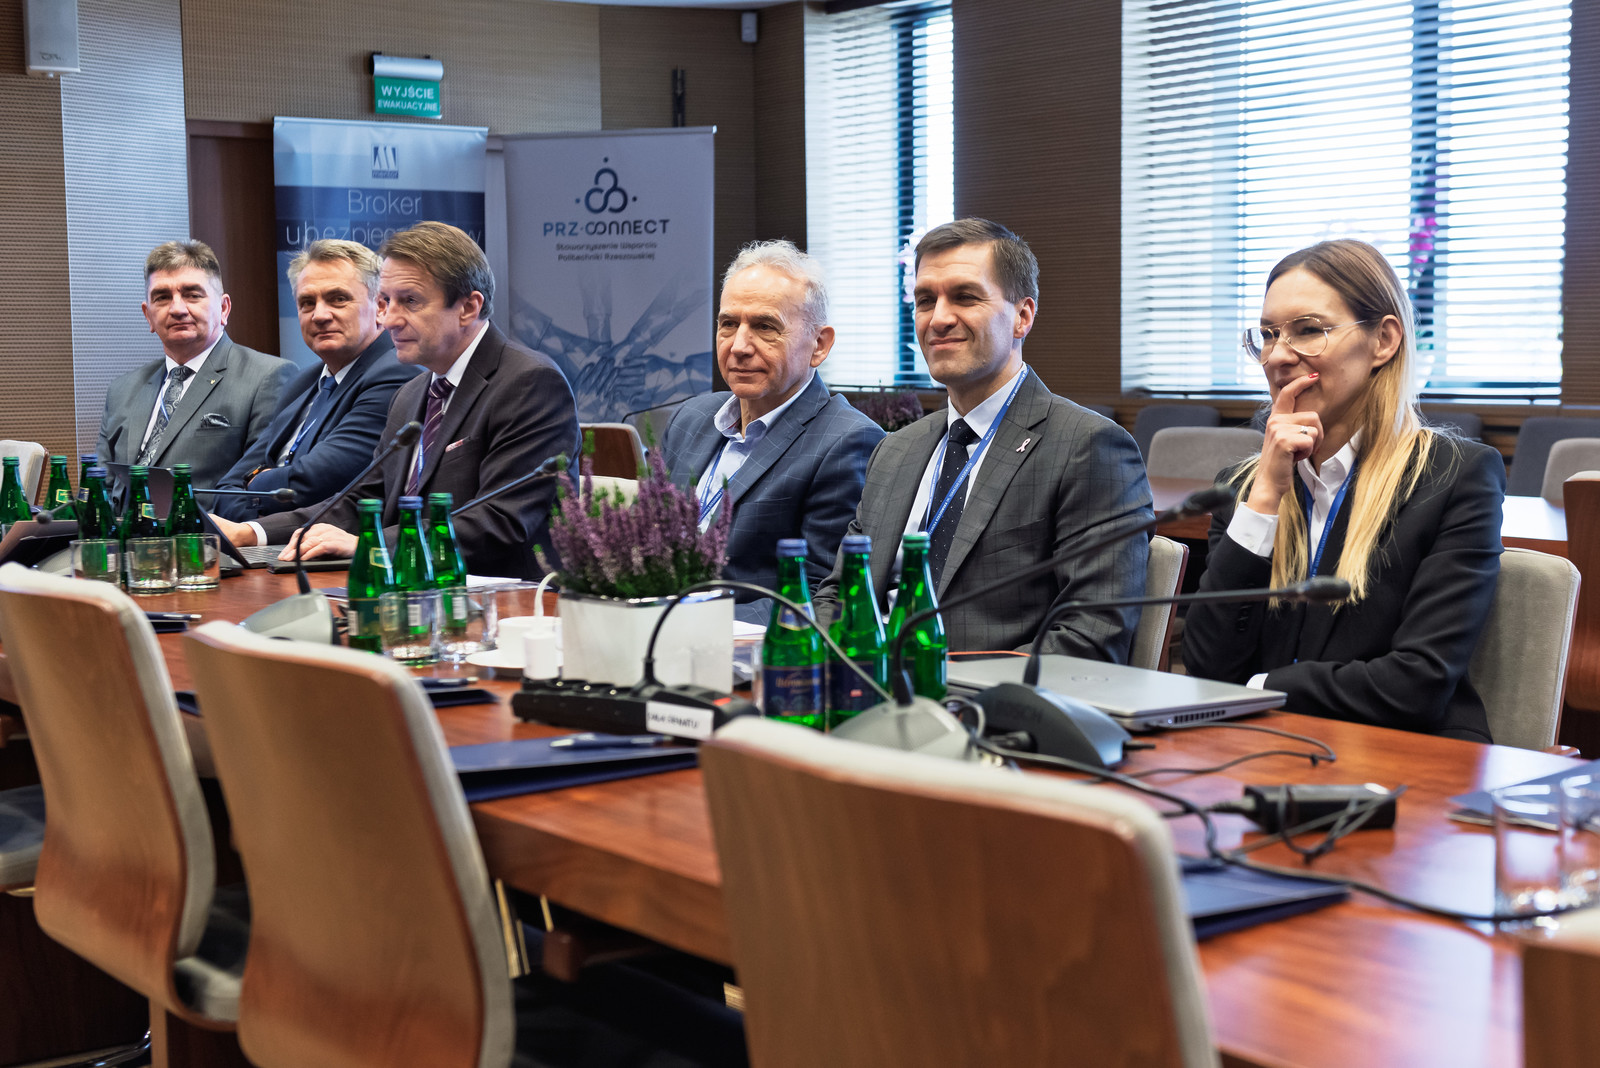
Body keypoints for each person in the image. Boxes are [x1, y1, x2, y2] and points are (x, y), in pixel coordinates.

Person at [1183, 238, 1504, 741]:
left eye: (1308, 330)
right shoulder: (1245, 485)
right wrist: (1265, 497)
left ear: (1384, 341)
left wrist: (1262, 687)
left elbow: (1417, 683)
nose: (1277, 357)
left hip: (1405, 757)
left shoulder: (1453, 476)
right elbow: (1206, 666)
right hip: (1262, 749)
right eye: (1268, 334)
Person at [813, 218, 1152, 660]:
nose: (938, 319)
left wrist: (938, 684)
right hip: (859, 684)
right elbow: (838, 594)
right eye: (925, 300)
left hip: (981, 694)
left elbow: (1088, 638)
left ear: (1022, 317)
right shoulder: (895, 451)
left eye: (965, 297)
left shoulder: (1088, 447)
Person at [213, 221, 580, 579]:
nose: (389, 320)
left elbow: (500, 518)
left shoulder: (529, 382)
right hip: (408, 585)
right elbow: (363, 497)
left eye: (410, 302)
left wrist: (369, 544)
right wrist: (252, 533)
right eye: (386, 302)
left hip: (505, 597)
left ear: (468, 307)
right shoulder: (413, 393)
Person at [660, 240, 884, 623]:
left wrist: (688, 621)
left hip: (745, 648)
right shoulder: (690, 418)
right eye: (728, 324)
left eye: (765, 327)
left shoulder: (849, 442)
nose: (739, 346)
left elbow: (822, 597)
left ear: (819, 345)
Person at [210, 239, 421, 524]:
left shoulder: (396, 374)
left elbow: (317, 481)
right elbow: (225, 489)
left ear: (380, 308)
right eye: (307, 303)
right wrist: (255, 510)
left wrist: (255, 489)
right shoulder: (304, 382)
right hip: (271, 538)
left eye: (338, 299)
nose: (320, 315)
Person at [96, 241, 293, 491]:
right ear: (148, 316)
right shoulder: (122, 390)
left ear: (224, 308)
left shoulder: (267, 378)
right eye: (162, 297)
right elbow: (100, 487)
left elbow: (254, 489)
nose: (177, 309)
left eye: (192, 295)